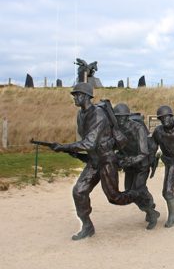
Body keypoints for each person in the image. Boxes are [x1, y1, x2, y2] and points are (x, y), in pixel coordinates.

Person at [52, 83, 143, 240]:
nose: (75, 97)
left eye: (78, 95)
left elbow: (89, 143)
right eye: (74, 95)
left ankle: (141, 197)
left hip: (107, 161)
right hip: (94, 161)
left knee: (114, 197)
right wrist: (71, 149)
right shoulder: (81, 115)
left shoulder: (98, 115)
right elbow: (86, 141)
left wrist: (64, 147)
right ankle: (87, 227)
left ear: (87, 97)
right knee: (79, 191)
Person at [113, 103, 160, 230]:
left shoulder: (138, 128)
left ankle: (152, 213)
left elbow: (144, 152)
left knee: (137, 190)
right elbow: (116, 147)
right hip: (129, 164)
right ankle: (150, 204)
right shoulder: (116, 129)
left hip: (141, 163)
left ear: (127, 117)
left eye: (123, 117)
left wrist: (130, 160)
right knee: (129, 191)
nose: (120, 120)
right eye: (117, 117)